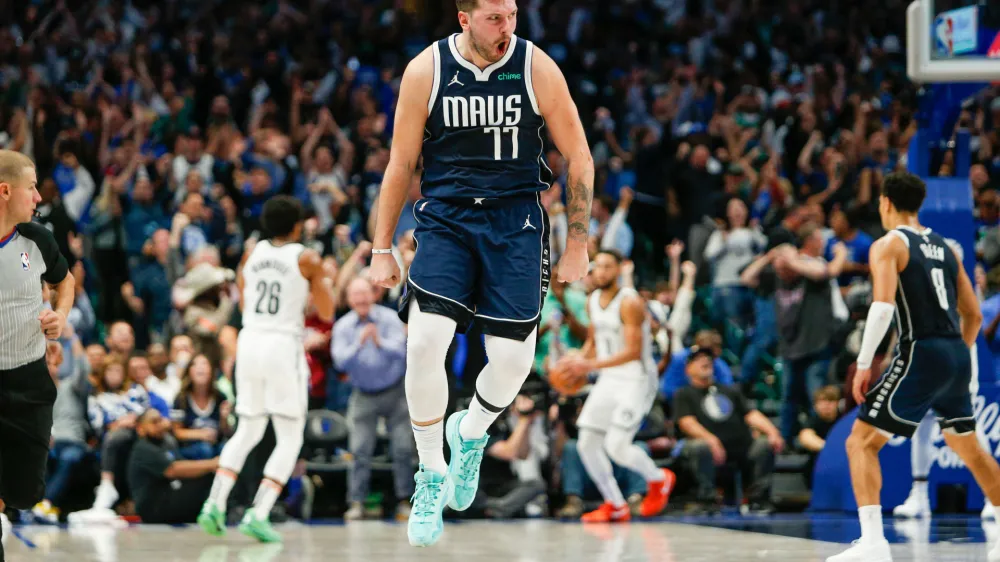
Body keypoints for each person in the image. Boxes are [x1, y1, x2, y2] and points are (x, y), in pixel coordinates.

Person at [367, 0, 592, 548]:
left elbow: (579, 155)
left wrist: (578, 242)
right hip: (446, 220)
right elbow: (401, 162)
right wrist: (380, 246)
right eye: (494, 18)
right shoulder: (427, 70)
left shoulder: (536, 66)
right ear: (464, 19)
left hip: (516, 222)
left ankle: (468, 433)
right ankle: (430, 473)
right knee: (424, 343)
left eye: (512, 15)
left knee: (513, 362)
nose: (507, 27)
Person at [828, 172, 1000, 562]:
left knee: (860, 441)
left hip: (920, 350)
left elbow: (884, 306)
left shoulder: (888, 244)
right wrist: (953, 355)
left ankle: (872, 544)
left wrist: (864, 362)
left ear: (885, 202)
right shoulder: (946, 247)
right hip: (957, 352)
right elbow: (972, 315)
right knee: (968, 446)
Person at [197, 195, 335, 543]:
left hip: (250, 341)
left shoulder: (252, 252)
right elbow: (327, 310)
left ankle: (214, 503)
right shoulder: (306, 257)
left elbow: (243, 299)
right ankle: (258, 513)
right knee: (289, 436)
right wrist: (320, 281)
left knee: (248, 428)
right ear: (297, 225)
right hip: (281, 344)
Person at [555, 250, 675, 522]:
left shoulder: (630, 302)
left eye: (608, 267)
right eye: (597, 267)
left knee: (617, 446)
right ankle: (616, 503)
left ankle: (659, 479)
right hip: (610, 378)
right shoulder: (592, 300)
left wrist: (590, 366)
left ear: (619, 270)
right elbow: (594, 343)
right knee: (586, 443)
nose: (601, 272)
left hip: (636, 378)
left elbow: (634, 352)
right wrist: (578, 359)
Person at [0, 149, 75, 558]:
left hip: (28, 377)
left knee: (26, 491)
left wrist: (60, 317)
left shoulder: (37, 238)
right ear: (6, 191)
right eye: (32, 188)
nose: (38, 197)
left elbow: (66, 282)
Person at [332, 277, 414, 521]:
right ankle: (356, 503)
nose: (361, 299)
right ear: (348, 300)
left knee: (402, 448)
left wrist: (379, 342)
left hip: (395, 391)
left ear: (374, 295)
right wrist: (359, 343)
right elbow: (339, 362)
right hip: (362, 394)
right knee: (359, 450)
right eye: (355, 295)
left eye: (364, 294)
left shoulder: (389, 319)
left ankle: (404, 502)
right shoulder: (343, 326)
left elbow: (401, 350)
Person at [127, 409, 220, 524]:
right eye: (154, 422)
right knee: (206, 478)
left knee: (208, 477)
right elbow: (173, 470)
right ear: (140, 429)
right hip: (153, 507)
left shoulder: (166, 441)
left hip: (170, 494)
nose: (160, 425)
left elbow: (182, 465)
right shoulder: (143, 448)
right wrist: (212, 463)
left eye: (160, 420)